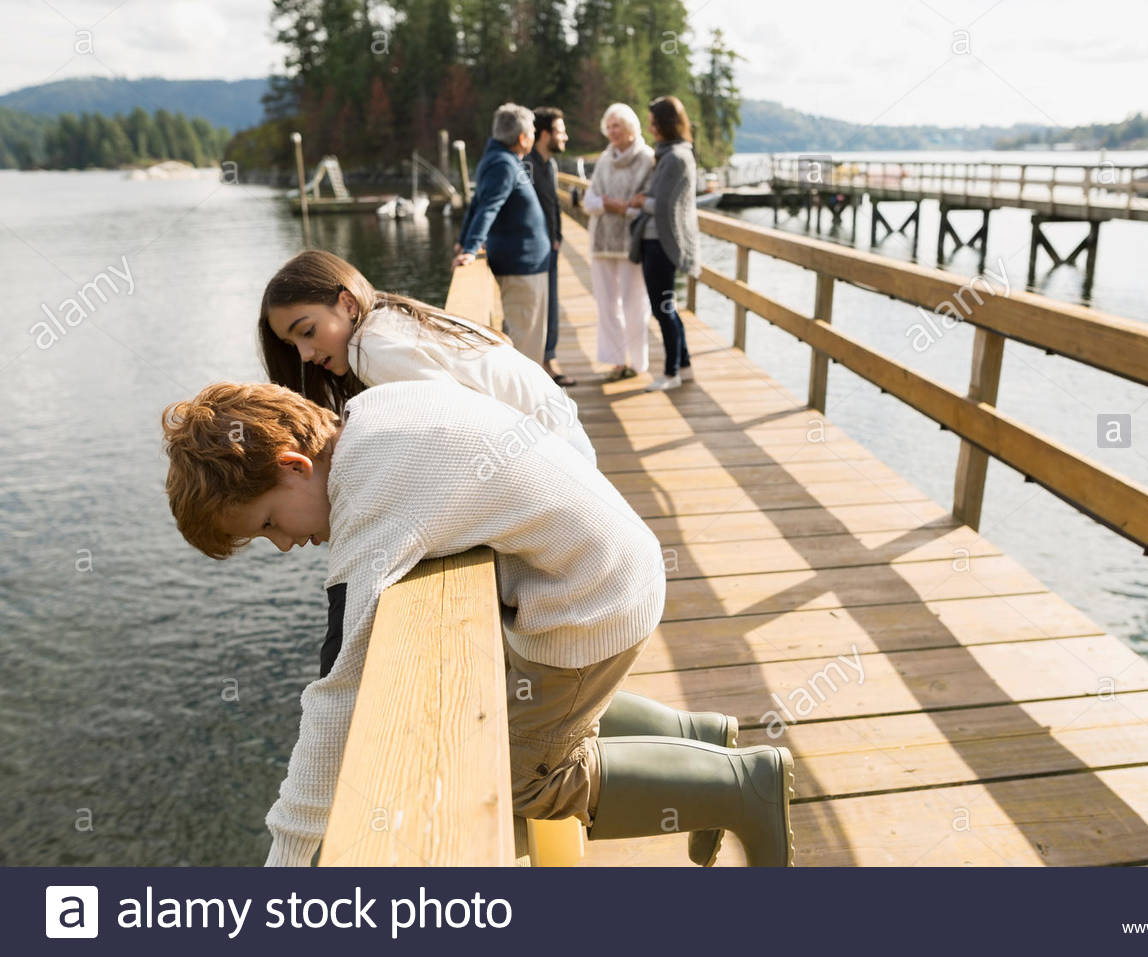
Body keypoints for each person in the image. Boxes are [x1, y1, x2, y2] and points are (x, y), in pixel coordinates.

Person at [160, 380, 796, 867]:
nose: (282, 545)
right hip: (607, 568)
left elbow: (336, 694)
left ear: (296, 466)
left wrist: (290, 858)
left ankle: (740, 788)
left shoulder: (368, 498)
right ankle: (698, 737)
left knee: (531, 783)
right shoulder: (375, 409)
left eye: (269, 523)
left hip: (590, 607)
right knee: (530, 713)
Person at [257, 248, 596, 465]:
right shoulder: (390, 320)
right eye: (291, 345)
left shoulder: (371, 349)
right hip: (564, 446)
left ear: (347, 304)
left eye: (307, 332)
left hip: (562, 463)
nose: (303, 355)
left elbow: (453, 429)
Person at [453, 103, 550, 366]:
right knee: (526, 338)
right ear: (521, 137)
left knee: (527, 333)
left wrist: (464, 241)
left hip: (525, 263)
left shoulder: (497, 159)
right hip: (522, 267)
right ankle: (527, 403)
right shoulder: (503, 164)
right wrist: (470, 249)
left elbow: (477, 203)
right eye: (531, 132)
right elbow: (487, 208)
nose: (532, 136)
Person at [629, 96, 701, 392]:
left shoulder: (676, 157)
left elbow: (667, 206)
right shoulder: (671, 154)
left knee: (664, 310)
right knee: (666, 307)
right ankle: (685, 367)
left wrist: (642, 201)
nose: (651, 129)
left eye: (654, 124)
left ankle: (671, 373)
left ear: (666, 124)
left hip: (662, 244)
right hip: (655, 242)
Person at [582, 103, 656, 383]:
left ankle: (637, 363)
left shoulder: (647, 159)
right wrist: (608, 203)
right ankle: (615, 361)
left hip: (632, 242)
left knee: (635, 303)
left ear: (630, 129)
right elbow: (589, 202)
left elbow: (646, 206)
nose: (612, 132)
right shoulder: (604, 160)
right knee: (606, 304)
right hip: (601, 242)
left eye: (617, 126)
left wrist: (622, 209)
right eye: (609, 126)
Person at [523, 106, 575, 387]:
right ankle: (538, 365)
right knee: (536, 306)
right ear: (545, 134)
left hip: (551, 248)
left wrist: (557, 237)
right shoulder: (526, 166)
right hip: (533, 248)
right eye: (560, 131)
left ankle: (549, 359)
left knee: (551, 303)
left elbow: (553, 205)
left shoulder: (550, 165)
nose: (565, 136)